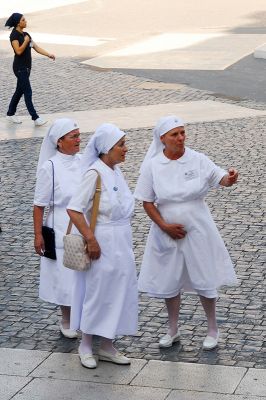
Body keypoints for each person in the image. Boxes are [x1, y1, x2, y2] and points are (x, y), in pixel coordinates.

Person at [134, 116, 238, 350]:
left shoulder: (197, 159)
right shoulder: (153, 166)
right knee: (169, 278)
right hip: (166, 231)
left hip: (198, 226)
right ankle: (173, 329)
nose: (181, 138)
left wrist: (230, 178)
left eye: (182, 133)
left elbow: (220, 177)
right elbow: (147, 201)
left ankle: (212, 328)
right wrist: (164, 226)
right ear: (162, 139)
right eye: (175, 134)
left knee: (204, 275)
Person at [67, 123, 138, 369]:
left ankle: (107, 344)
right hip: (102, 240)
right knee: (96, 293)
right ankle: (86, 344)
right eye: (121, 145)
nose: (126, 149)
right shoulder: (94, 173)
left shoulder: (116, 171)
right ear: (107, 149)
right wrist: (91, 239)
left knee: (118, 291)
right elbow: (74, 209)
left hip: (121, 241)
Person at [33, 118, 82, 339]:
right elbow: (39, 205)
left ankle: (86, 316)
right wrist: (37, 235)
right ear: (59, 142)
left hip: (83, 222)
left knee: (86, 273)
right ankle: (67, 318)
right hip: (62, 223)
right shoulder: (50, 167)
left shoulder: (83, 161)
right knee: (65, 275)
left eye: (79, 135)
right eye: (74, 136)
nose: (79, 140)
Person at [5, 13, 55, 126]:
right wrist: (26, 41)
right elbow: (18, 51)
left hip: (26, 68)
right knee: (28, 92)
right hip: (19, 68)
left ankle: (10, 113)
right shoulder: (14, 35)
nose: (26, 21)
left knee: (19, 91)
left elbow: (36, 47)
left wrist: (49, 54)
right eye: (23, 20)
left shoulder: (26, 34)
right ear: (18, 23)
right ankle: (35, 117)